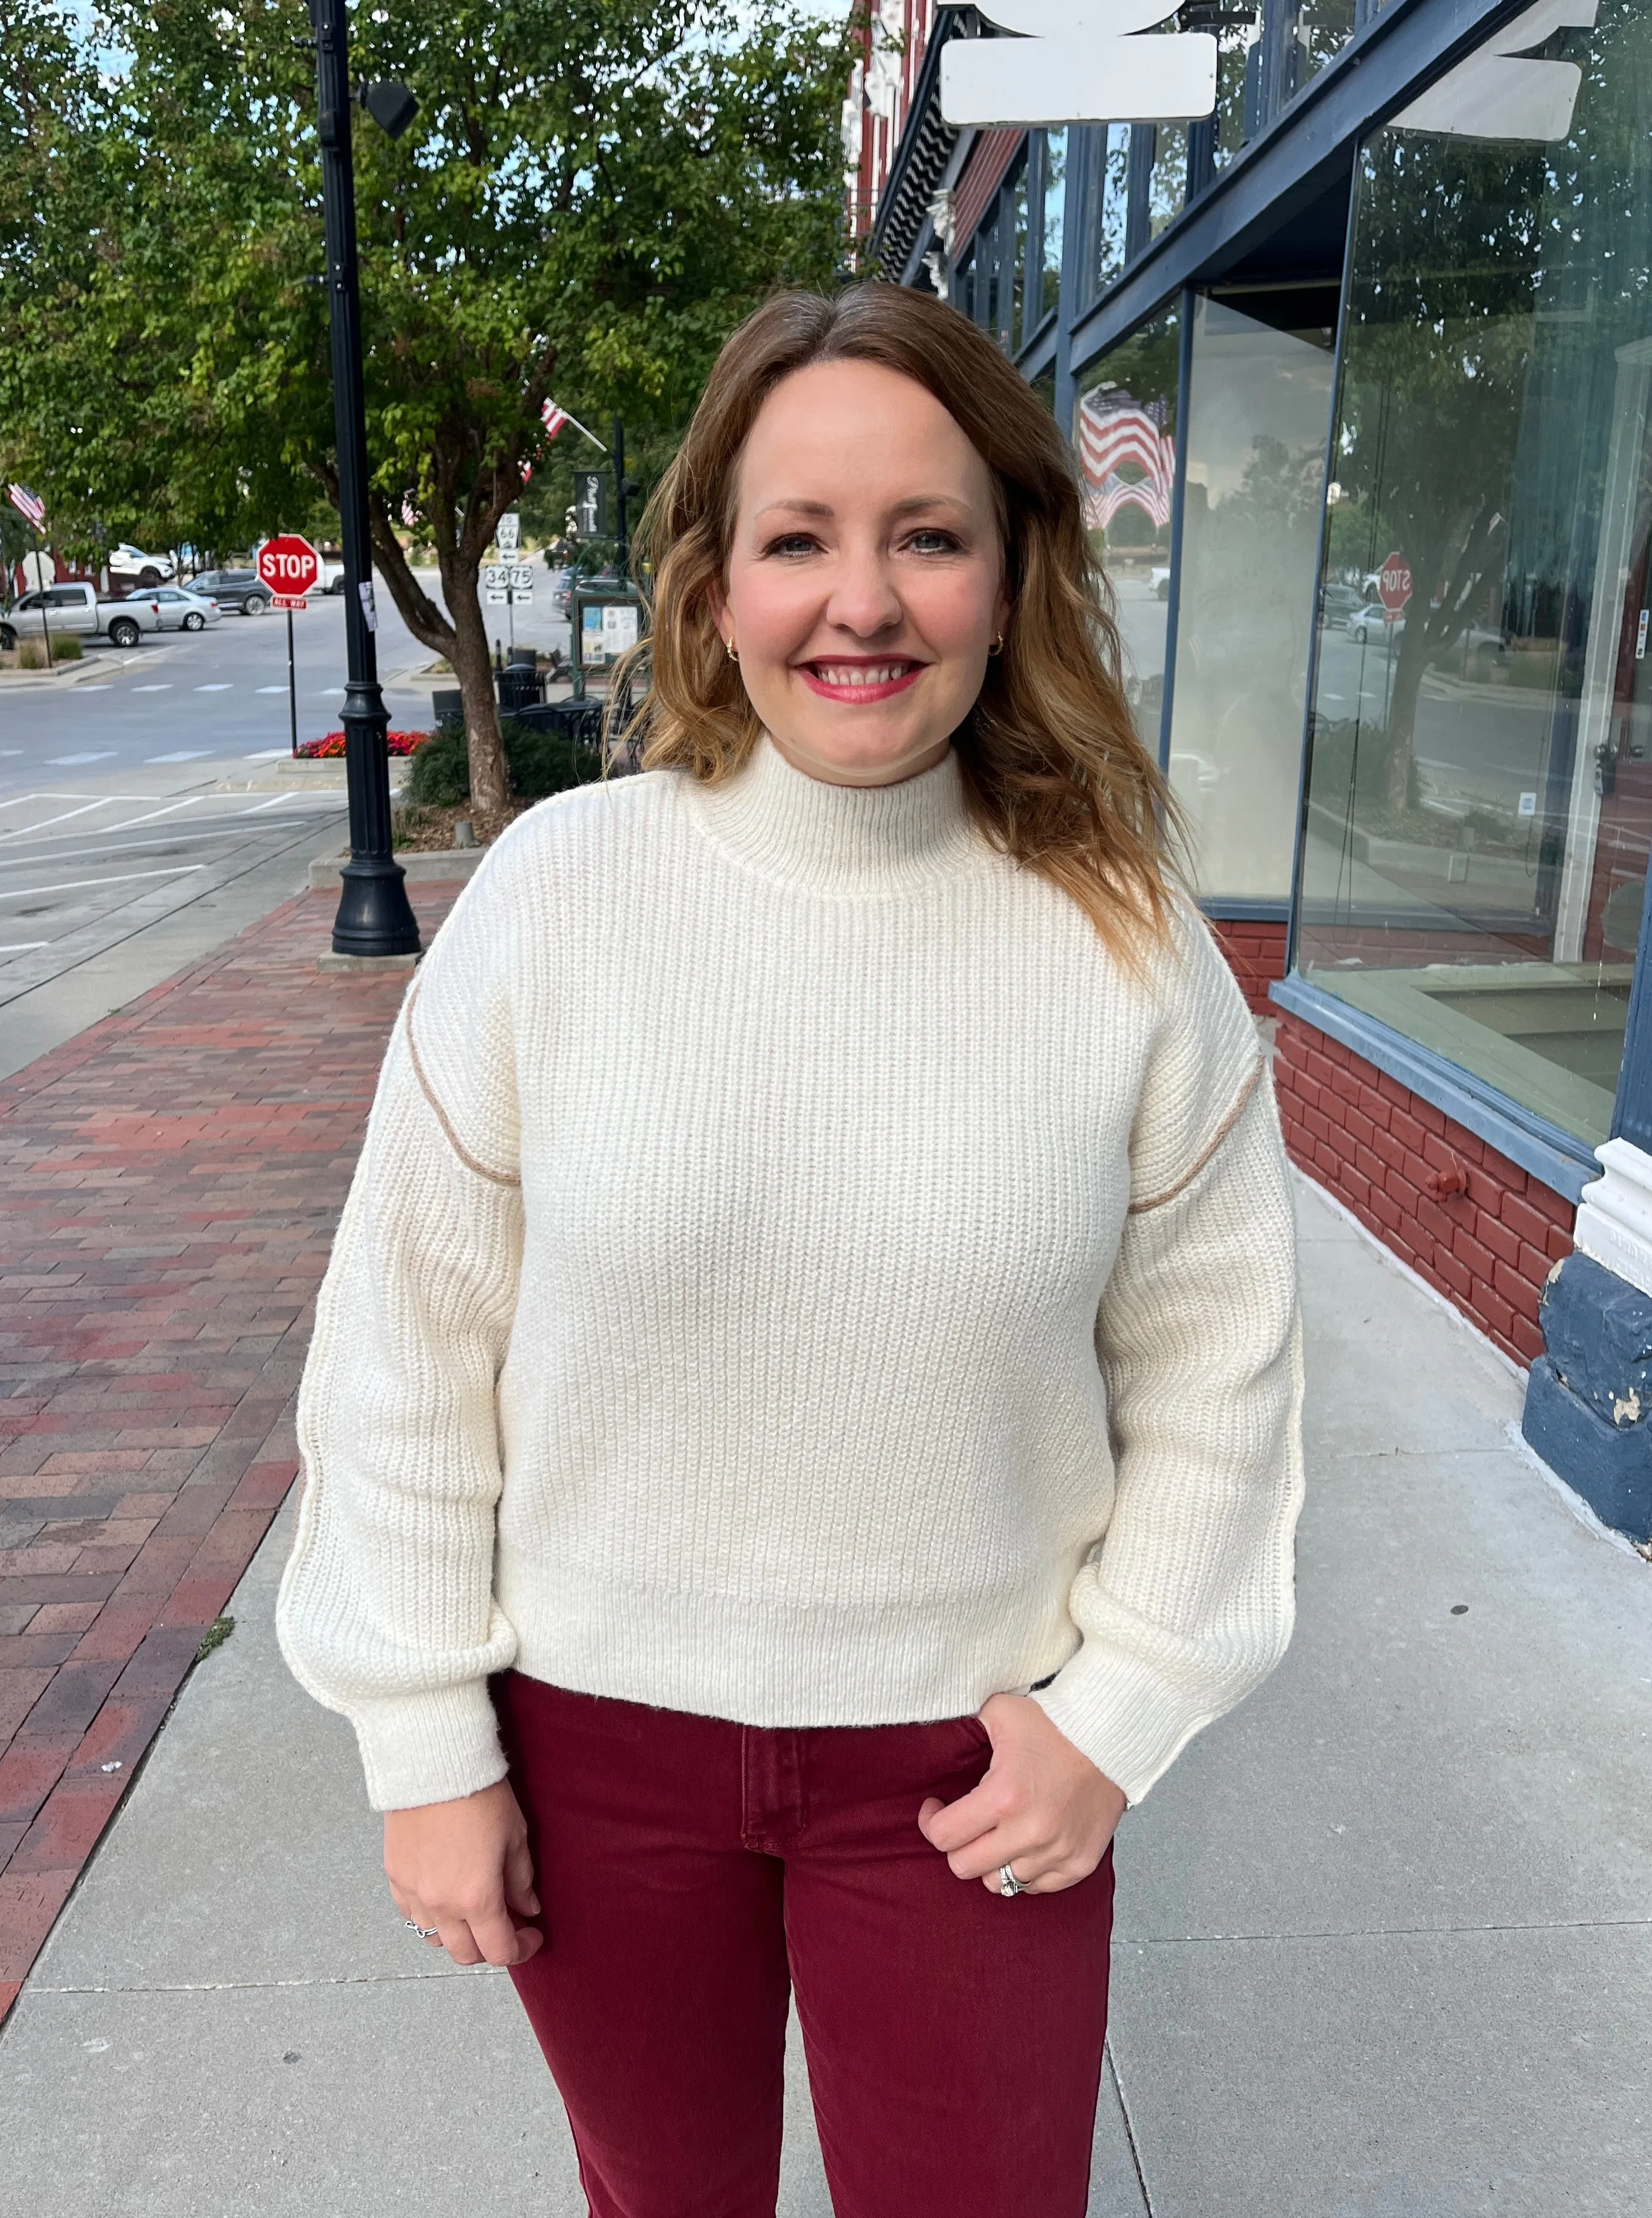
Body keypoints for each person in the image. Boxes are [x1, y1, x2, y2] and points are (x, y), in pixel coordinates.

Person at [277, 282, 1303, 2218]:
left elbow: (1216, 1375)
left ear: (1010, 573)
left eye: (925, 534)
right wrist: (419, 1733)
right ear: (715, 579)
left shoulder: (1120, 938)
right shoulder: (559, 901)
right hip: (595, 1750)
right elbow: (409, 1346)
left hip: (971, 1758)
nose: (863, 601)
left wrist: (1125, 1710)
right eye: (798, 539)